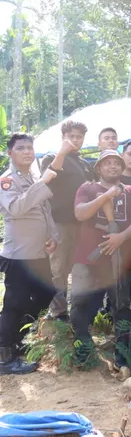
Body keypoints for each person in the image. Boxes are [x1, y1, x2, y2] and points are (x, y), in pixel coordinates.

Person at [70, 150, 131, 371]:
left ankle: (123, 359)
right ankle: (84, 354)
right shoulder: (87, 188)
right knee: (81, 305)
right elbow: (80, 214)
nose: (112, 166)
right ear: (99, 167)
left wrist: (121, 237)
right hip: (87, 259)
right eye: (107, 163)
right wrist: (105, 196)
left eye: (116, 163)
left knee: (121, 307)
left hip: (118, 262)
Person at [0, 133, 59, 375]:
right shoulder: (7, 181)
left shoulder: (33, 177)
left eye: (30, 147)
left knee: (47, 293)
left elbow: (46, 212)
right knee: (14, 304)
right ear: (10, 153)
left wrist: (53, 238)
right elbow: (15, 208)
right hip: (19, 255)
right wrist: (41, 184)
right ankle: (4, 356)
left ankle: (16, 338)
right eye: (21, 148)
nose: (27, 151)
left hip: (38, 254)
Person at [41, 120, 95, 322]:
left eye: (79, 136)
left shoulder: (85, 164)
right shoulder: (52, 158)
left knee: (79, 266)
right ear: (63, 137)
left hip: (82, 223)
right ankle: (57, 311)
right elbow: (48, 177)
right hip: (59, 222)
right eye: (71, 135)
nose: (75, 140)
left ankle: (78, 308)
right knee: (58, 267)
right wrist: (62, 152)